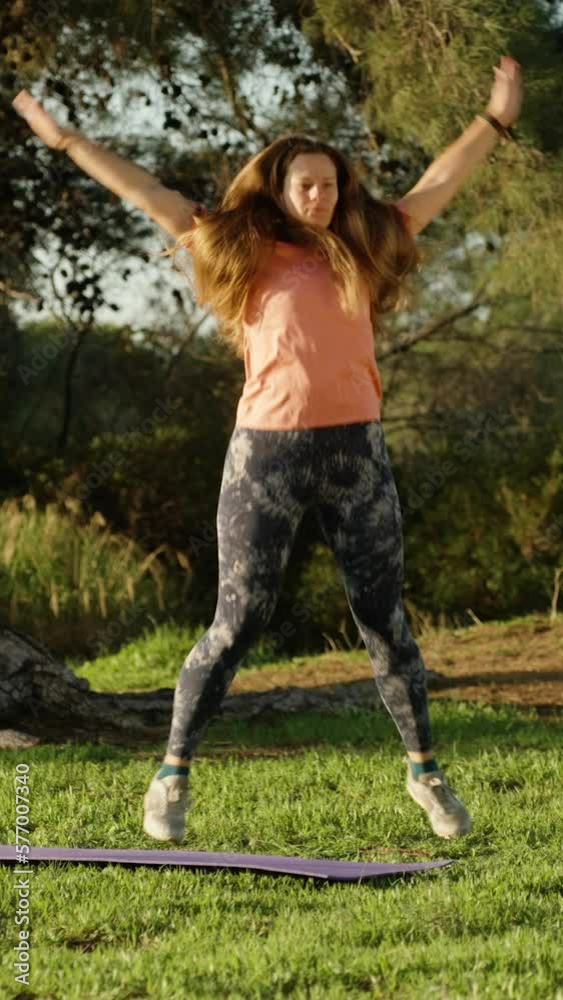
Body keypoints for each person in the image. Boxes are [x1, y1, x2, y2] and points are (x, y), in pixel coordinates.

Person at [12, 56, 522, 844]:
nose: (319, 196)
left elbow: (438, 182)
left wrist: (493, 119)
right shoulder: (236, 247)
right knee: (238, 621)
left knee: (383, 620)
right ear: (280, 190)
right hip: (266, 458)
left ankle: (424, 771)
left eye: (329, 185)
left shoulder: (366, 241)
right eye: (305, 185)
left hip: (356, 454)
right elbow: (140, 190)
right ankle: (172, 774)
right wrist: (66, 139)